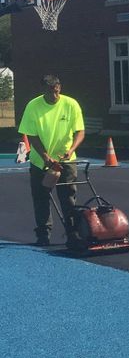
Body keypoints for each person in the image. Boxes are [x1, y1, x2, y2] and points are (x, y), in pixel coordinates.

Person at [17, 74, 86, 247]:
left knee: (68, 196)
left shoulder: (71, 104)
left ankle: (72, 233)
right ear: (43, 91)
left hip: (66, 159)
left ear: (59, 88)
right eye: (50, 92)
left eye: (56, 91)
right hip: (40, 160)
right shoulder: (33, 106)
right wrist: (45, 157)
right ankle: (43, 234)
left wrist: (71, 150)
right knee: (41, 197)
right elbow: (31, 135)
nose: (54, 96)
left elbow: (80, 131)